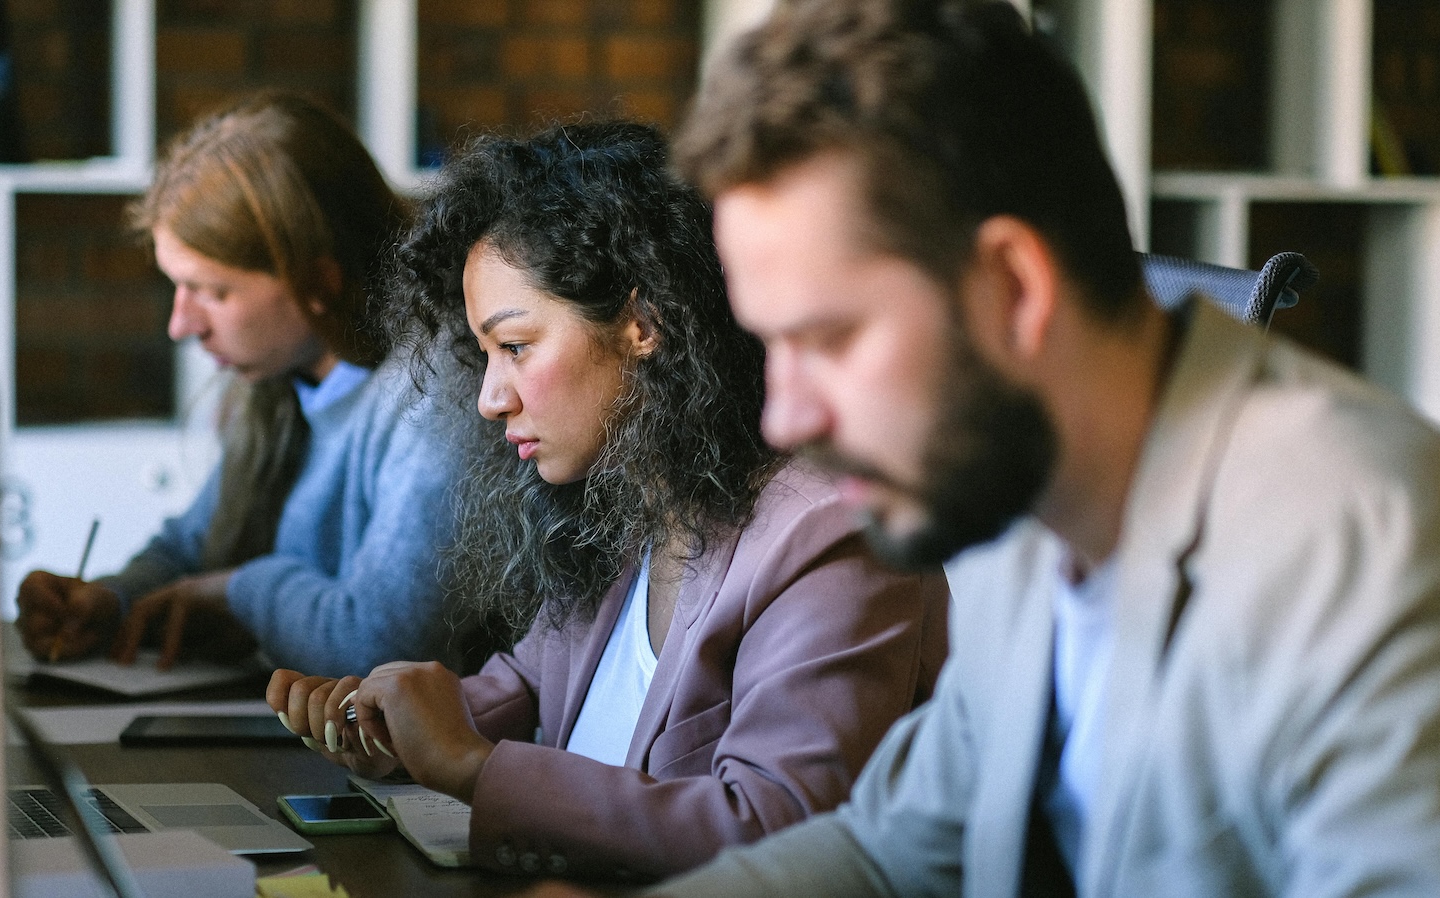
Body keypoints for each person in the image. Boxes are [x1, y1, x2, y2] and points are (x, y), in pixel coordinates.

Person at [602, 0, 1440, 895]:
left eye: (829, 340)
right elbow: (890, 849)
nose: (783, 418)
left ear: (1015, 288)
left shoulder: (1374, 546)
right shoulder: (1022, 504)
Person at [267, 121, 950, 881]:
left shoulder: (831, 536)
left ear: (643, 322)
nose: (491, 398)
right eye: (485, 355)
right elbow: (530, 688)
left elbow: (777, 829)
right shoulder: (631, 499)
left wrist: (470, 766)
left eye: (517, 346)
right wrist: (392, 721)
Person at [15, 91, 465, 677]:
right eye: (178, 287)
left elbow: (381, 648)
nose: (181, 325)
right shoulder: (286, 378)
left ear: (319, 280)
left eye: (214, 291)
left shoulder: (435, 392)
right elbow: (191, 549)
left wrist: (238, 592)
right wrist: (110, 602)